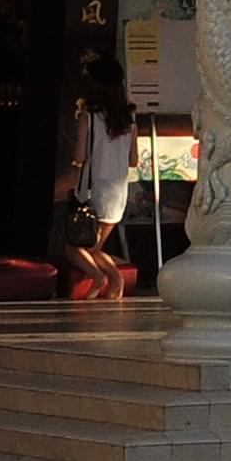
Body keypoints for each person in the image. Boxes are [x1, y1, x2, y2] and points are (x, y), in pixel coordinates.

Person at [58, 58, 139, 298]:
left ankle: (101, 277)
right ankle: (114, 282)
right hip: (118, 193)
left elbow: (80, 156)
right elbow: (134, 159)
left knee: (74, 248)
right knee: (94, 247)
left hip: (93, 191)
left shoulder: (89, 116)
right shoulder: (130, 117)